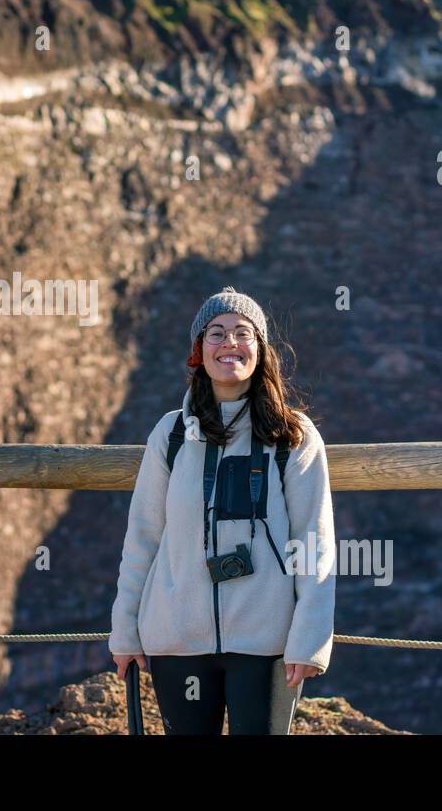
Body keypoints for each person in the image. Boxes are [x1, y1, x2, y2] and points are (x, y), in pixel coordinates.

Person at [110, 285, 336, 734]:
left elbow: (314, 540)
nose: (229, 343)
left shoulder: (292, 436)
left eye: (242, 332)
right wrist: (125, 628)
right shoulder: (172, 435)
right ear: (199, 351)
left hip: (267, 642)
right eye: (216, 333)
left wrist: (309, 639)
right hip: (177, 639)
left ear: (261, 349)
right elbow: (143, 537)